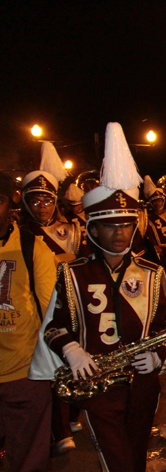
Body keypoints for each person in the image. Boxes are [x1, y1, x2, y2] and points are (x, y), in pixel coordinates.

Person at [29, 122, 166, 472]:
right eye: (109, 225)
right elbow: (55, 328)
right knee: (116, 463)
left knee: (134, 459)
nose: (120, 233)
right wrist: (74, 351)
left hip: (142, 384)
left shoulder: (153, 272)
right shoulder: (72, 274)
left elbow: (162, 326)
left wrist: (157, 356)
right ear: (93, 227)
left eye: (126, 223)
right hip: (97, 385)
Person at [0, 171, 56, 472]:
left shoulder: (32, 247)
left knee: (27, 449)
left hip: (23, 368)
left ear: (9, 204)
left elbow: (53, 308)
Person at [19, 142, 83, 454]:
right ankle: (57, 431)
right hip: (35, 308)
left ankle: (71, 415)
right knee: (47, 372)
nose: (42, 206)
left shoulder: (70, 228)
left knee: (73, 363)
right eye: (35, 200)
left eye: (47, 199)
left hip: (68, 302)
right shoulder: (20, 233)